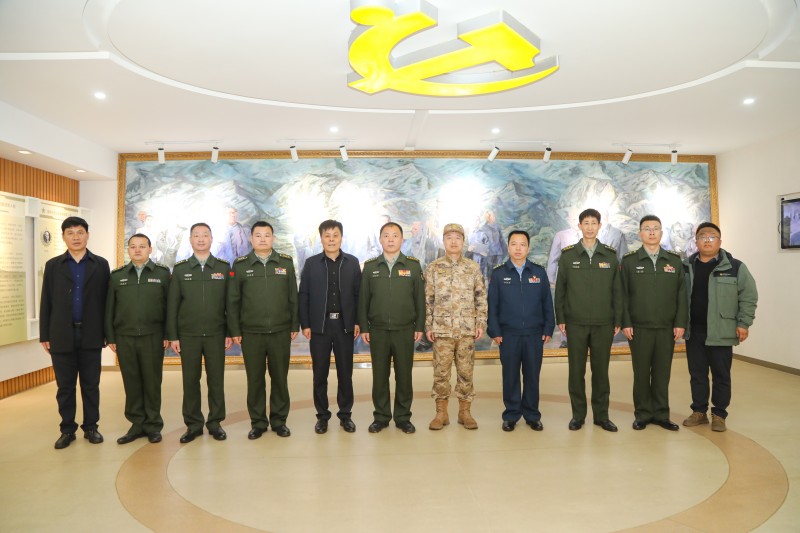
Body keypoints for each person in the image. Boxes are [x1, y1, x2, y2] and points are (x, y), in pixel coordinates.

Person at [40, 216, 110, 449]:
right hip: (61, 334)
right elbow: (46, 301)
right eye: (70, 233)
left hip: (91, 334)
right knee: (65, 387)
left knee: (91, 385)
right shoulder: (53, 265)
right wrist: (45, 335)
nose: (76, 237)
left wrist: (108, 333)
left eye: (80, 232)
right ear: (63, 237)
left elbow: (107, 302)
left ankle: (91, 427)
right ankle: (67, 429)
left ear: (87, 235)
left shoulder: (100, 264)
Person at [682, 222, 757, 432]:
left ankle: (719, 414)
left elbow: (748, 296)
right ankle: (699, 411)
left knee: (721, 375)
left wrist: (744, 323)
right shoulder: (686, 266)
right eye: (702, 236)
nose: (707, 240)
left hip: (722, 330)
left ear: (720, 241)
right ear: (696, 241)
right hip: (694, 331)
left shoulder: (735, 267)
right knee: (697, 374)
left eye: (712, 236)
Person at [228, 221, 298, 439]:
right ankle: (258, 422)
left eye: (267, 235)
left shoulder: (285, 263)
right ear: (251, 239)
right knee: (255, 380)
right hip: (251, 333)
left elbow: (293, 297)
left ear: (273, 238)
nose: (262, 239)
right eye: (258, 235)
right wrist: (235, 330)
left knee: (280, 379)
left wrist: (294, 325)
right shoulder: (241, 265)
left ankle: (279, 421)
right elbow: (233, 301)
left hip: (280, 331)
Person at [555, 208, 622, 432]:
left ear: (599, 226)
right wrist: (561, 318)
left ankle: (602, 416)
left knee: (601, 372)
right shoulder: (568, 255)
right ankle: (578, 416)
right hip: (576, 323)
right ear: (580, 226)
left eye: (594, 223)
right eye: (586, 223)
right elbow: (560, 290)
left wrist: (618, 318)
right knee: (576, 372)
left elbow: (617, 290)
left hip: (604, 323)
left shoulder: (610, 255)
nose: (590, 227)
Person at [166, 222, 233, 443]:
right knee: (190, 381)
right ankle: (193, 425)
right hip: (189, 335)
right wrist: (173, 336)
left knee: (216, 381)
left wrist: (230, 332)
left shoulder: (223, 268)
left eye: (205, 235)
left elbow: (230, 304)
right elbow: (173, 305)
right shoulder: (181, 269)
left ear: (211, 239)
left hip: (216, 334)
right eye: (196, 235)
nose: (201, 239)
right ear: (191, 240)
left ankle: (215, 423)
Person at [620, 215, 687, 431]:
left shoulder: (674, 261)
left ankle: (661, 414)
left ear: (661, 233)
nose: (651, 232)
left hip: (666, 328)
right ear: (640, 233)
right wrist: (626, 322)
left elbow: (681, 295)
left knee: (662, 374)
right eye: (647, 228)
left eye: (655, 228)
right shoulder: (630, 261)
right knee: (641, 374)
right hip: (639, 328)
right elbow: (623, 295)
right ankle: (642, 414)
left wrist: (680, 323)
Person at [358, 222, 425, 434]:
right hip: (377, 331)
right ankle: (381, 417)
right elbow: (363, 300)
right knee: (380, 376)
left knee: (404, 376)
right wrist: (365, 327)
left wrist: (419, 325)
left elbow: (419, 299)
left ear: (402, 240)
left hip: (405, 330)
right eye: (386, 235)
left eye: (395, 235)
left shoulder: (412, 266)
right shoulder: (371, 267)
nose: (390, 239)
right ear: (380, 240)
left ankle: (403, 417)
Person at [105, 234, 171, 444]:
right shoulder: (117, 276)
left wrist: (168, 334)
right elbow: (109, 308)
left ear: (150, 249)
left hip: (153, 336)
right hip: (125, 337)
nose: (137, 250)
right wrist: (110, 336)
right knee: (131, 382)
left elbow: (170, 307)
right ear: (128, 250)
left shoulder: (162, 273)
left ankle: (153, 425)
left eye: (142, 246)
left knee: (152, 382)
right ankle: (136, 424)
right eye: (133, 246)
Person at [488, 230, 554, 431]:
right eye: (514, 244)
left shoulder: (538, 272)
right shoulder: (499, 274)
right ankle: (511, 415)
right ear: (508, 247)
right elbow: (493, 306)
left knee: (532, 376)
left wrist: (548, 328)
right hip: (508, 335)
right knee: (510, 376)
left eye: (522, 244)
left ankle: (532, 415)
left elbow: (547, 303)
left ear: (528, 248)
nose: (518, 248)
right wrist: (495, 331)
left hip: (534, 335)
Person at [299, 220, 361, 434]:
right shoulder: (311, 263)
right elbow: (304, 295)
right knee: (320, 374)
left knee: (345, 373)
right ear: (321, 239)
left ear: (341, 238)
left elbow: (358, 295)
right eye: (327, 236)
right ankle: (322, 416)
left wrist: (357, 321)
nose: (331, 239)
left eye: (335, 235)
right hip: (320, 327)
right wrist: (305, 324)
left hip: (344, 326)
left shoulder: (352, 262)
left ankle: (345, 415)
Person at [425, 223, 487, 430]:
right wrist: (428, 325)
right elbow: (428, 299)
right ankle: (441, 413)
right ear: (443, 241)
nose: (453, 241)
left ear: (463, 241)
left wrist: (480, 322)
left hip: (466, 329)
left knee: (466, 372)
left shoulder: (472, 267)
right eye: (449, 237)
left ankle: (464, 412)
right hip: (441, 330)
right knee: (441, 373)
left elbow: (481, 297)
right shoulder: (433, 268)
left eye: (458, 238)